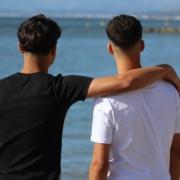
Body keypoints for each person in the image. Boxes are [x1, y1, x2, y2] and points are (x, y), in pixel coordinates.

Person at [0, 14, 178, 180]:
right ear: (54, 50)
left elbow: (99, 165)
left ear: (20, 47)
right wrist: (165, 70)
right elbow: (124, 82)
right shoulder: (61, 88)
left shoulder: (3, 88)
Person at [89, 14, 180, 180]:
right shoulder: (171, 92)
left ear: (109, 48)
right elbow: (176, 152)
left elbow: (99, 165)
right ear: (142, 45)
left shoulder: (105, 101)